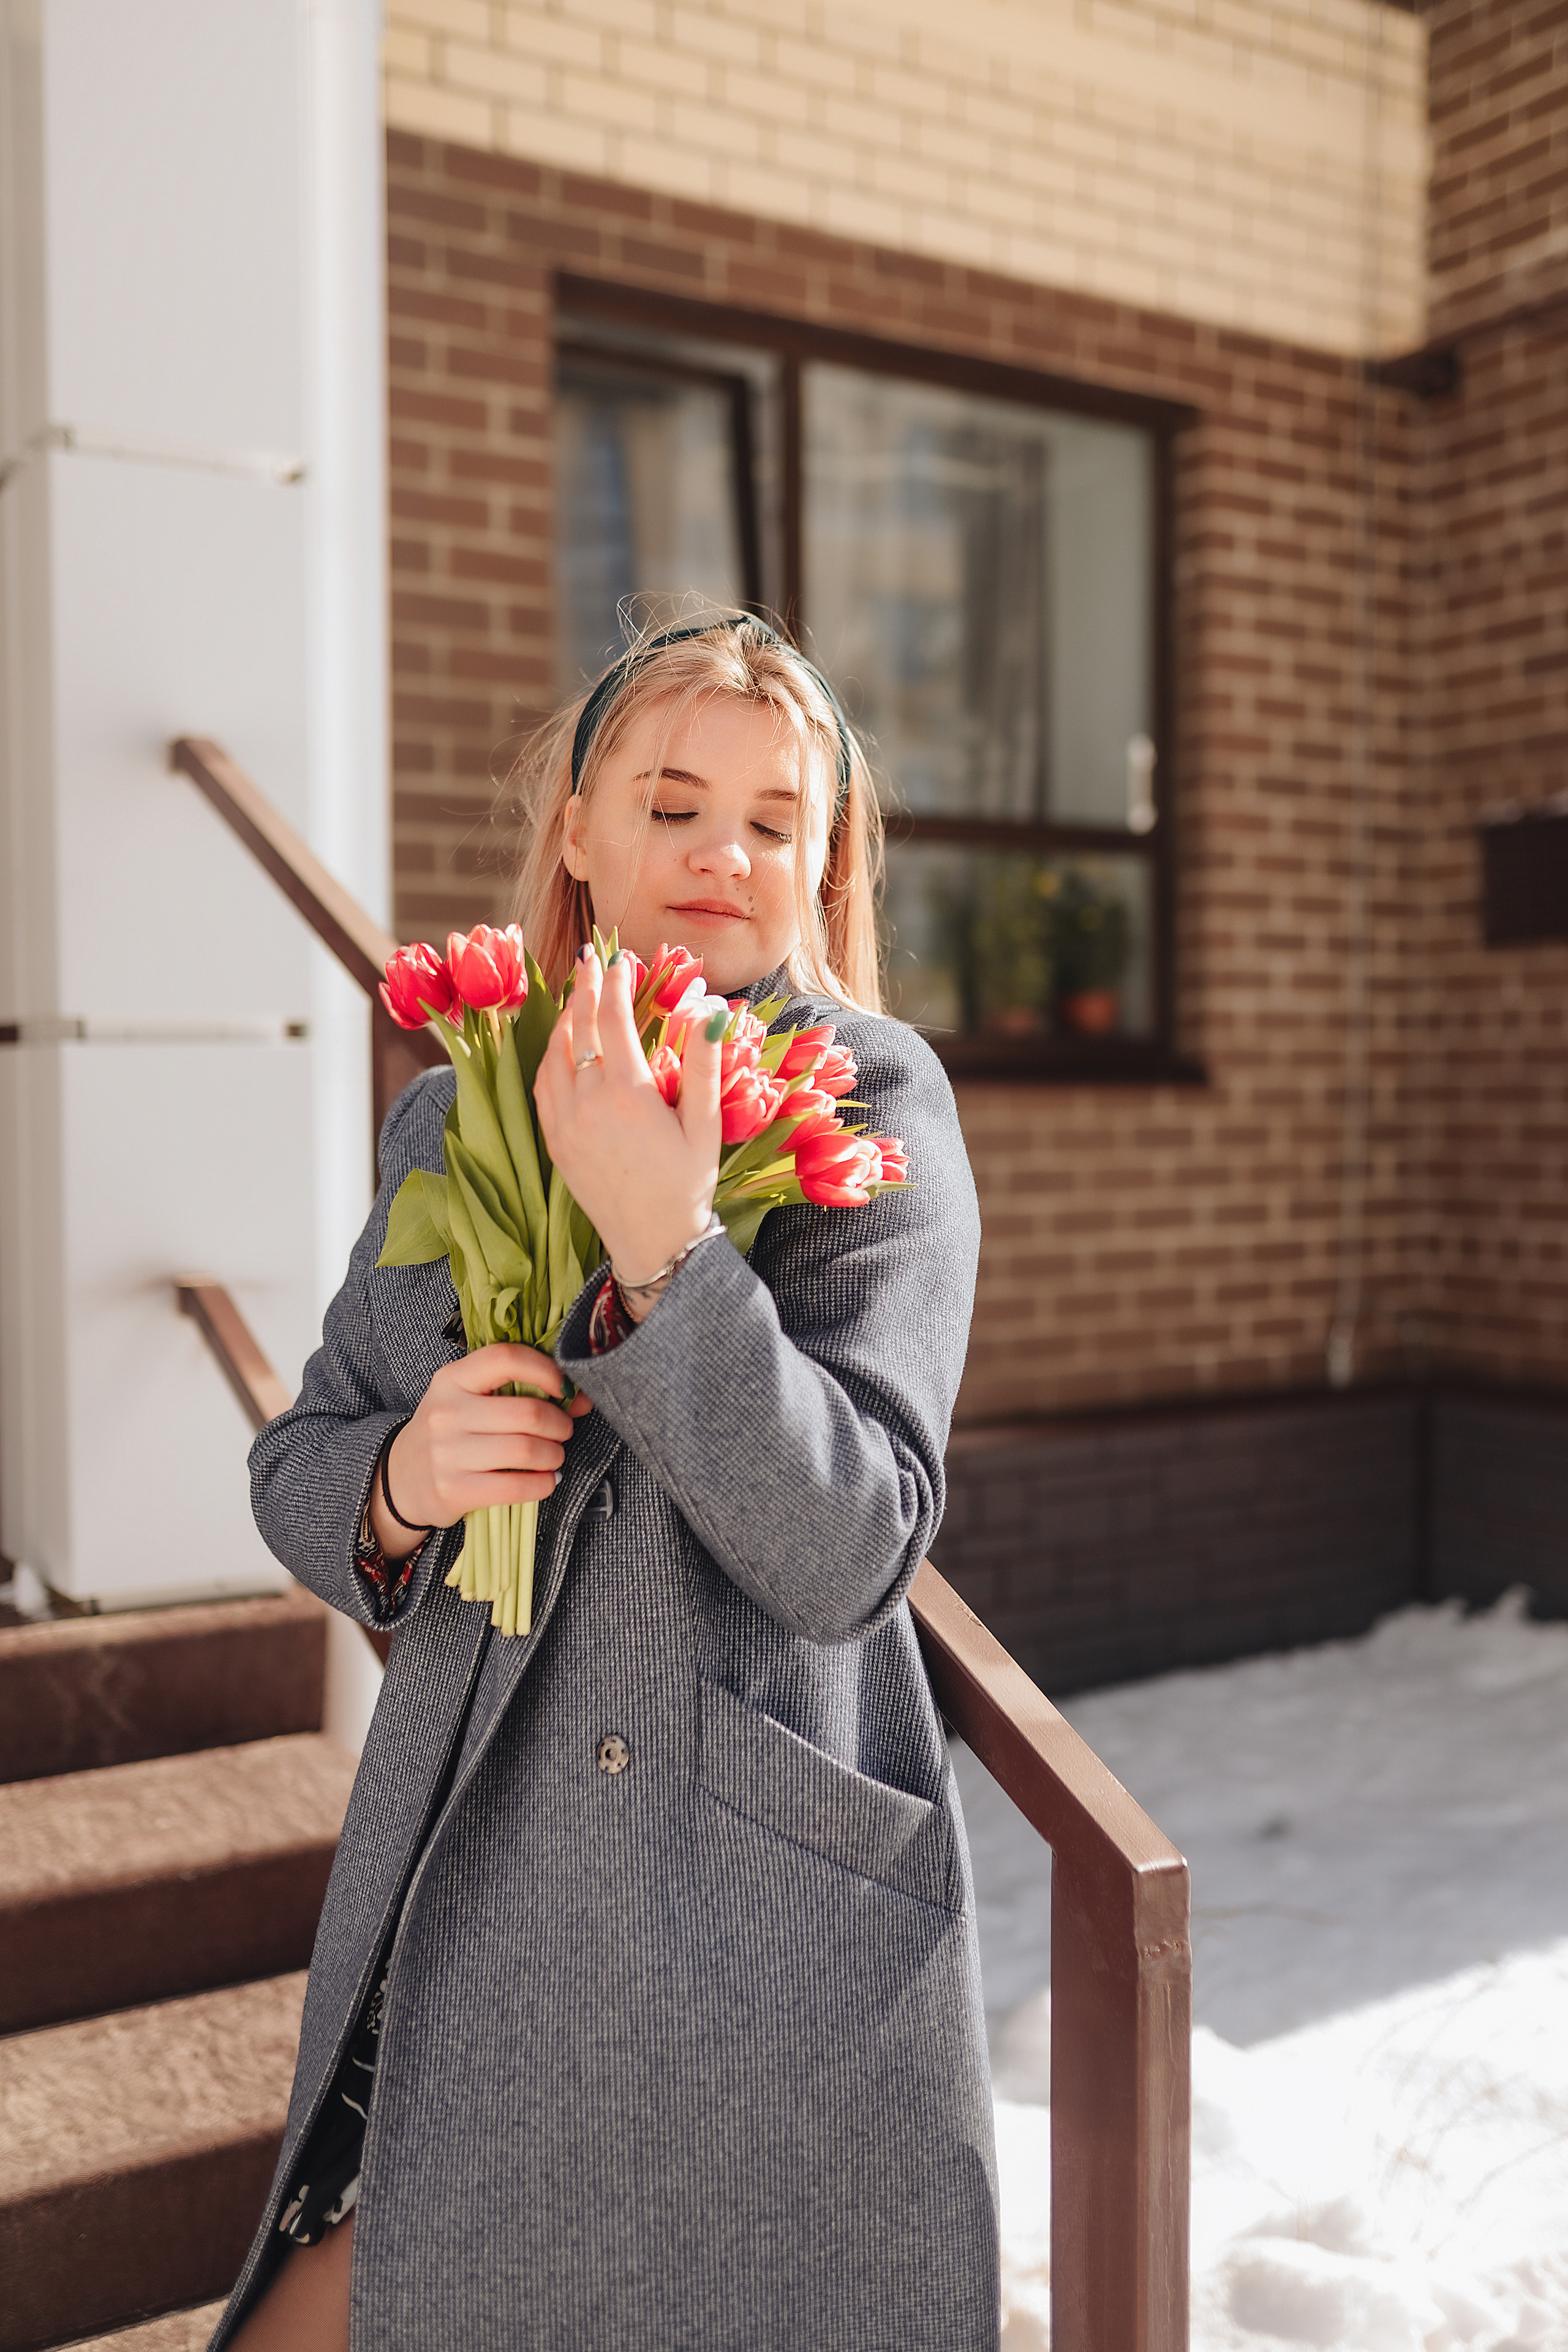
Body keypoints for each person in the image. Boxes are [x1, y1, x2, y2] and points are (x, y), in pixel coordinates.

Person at [216, 612, 997, 2352]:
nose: (724, 851)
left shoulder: (871, 1098)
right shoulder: (456, 1110)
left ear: (823, 869)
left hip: (737, 1887)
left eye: (776, 822)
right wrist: (405, 1482)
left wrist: (667, 1249)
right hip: (474, 1854)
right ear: (576, 832)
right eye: (672, 804)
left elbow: (852, 1546)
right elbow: (299, 1463)